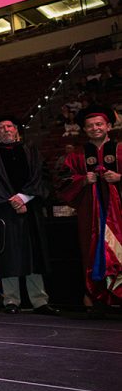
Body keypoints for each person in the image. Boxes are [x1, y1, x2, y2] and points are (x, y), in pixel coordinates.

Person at [0, 116, 58, 315]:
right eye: (1, 127)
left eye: (9, 126)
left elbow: (40, 177)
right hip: (4, 211)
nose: (5, 130)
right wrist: (11, 201)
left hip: (30, 209)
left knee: (34, 255)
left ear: (16, 129)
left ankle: (39, 301)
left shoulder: (31, 150)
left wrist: (24, 198)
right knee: (8, 255)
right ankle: (11, 300)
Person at [57, 106, 122, 309]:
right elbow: (63, 182)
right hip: (91, 215)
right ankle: (95, 295)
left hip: (119, 214)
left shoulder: (121, 149)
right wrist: (82, 181)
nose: (95, 128)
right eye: (90, 125)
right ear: (84, 130)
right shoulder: (76, 155)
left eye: (99, 124)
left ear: (108, 126)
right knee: (92, 252)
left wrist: (120, 178)